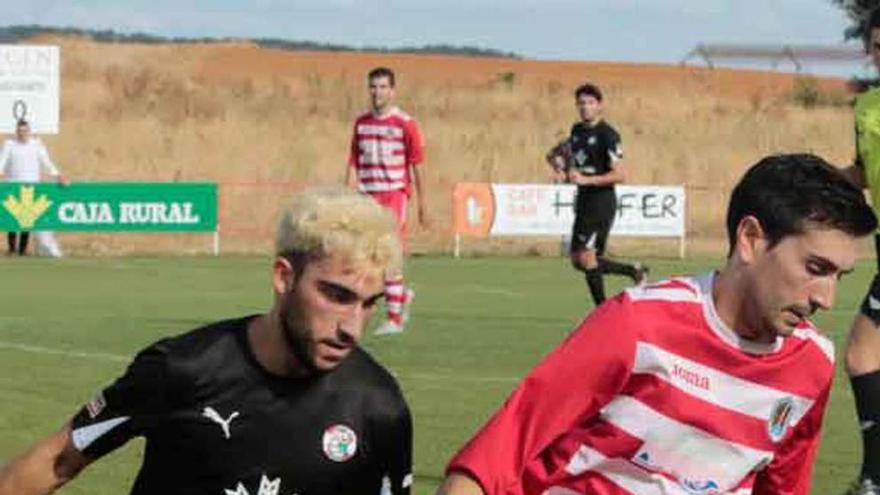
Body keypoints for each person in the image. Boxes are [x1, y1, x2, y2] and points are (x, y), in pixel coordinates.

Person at [437, 154, 877, 495]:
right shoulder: (637, 325)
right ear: (751, 239)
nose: (826, 298)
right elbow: (489, 464)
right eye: (815, 268)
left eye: (840, 276)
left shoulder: (812, 365)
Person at [0, 188, 414, 495]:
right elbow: (58, 460)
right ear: (283, 277)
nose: (352, 328)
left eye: (368, 304)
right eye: (337, 296)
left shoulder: (378, 407)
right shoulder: (184, 368)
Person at [545, 83, 647, 307]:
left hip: (601, 201)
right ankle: (633, 270)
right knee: (578, 261)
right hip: (583, 200)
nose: (585, 107)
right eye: (581, 103)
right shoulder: (577, 131)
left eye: (590, 103)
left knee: (586, 257)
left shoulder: (608, 135)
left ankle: (602, 309)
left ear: (599, 106)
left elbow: (620, 175)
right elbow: (562, 156)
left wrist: (586, 179)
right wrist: (563, 171)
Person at [345, 66, 428, 335]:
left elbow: (417, 165)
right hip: (367, 194)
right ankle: (401, 297)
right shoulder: (362, 123)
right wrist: (348, 192)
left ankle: (394, 318)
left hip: (393, 193)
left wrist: (422, 204)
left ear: (392, 91)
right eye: (373, 87)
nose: (377, 92)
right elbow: (354, 161)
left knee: (389, 252)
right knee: (367, 254)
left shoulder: (405, 123)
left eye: (382, 87)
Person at [841, 8, 880, 495]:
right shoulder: (867, 107)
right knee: (862, 353)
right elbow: (864, 174)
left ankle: (874, 477)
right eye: (877, 44)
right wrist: (813, 176)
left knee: (863, 352)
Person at [0, 119, 68, 256]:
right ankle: (12, 249)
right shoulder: (9, 144)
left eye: (25, 131)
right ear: (16, 132)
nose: (22, 133)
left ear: (29, 131)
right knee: (13, 219)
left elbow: (46, 162)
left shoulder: (37, 145)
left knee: (27, 219)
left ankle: (22, 250)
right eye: (20, 131)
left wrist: (57, 175)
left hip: (31, 187)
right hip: (13, 185)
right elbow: (2, 161)